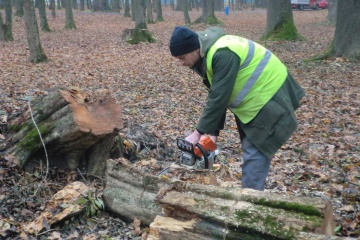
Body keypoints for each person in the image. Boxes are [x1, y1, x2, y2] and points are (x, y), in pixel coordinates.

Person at [169, 26, 305, 190]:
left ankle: (248, 202)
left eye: (182, 57)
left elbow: (219, 96)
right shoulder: (206, 55)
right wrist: (212, 133)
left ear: (194, 49)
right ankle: (249, 194)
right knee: (250, 145)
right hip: (254, 98)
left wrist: (198, 132)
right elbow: (217, 92)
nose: (182, 63)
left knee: (255, 148)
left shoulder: (222, 53)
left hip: (269, 93)